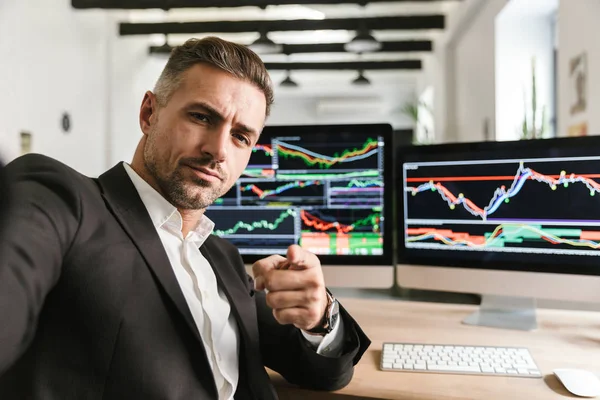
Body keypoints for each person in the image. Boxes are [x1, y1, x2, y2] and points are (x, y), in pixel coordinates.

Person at [0, 36, 370, 399]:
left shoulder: (223, 259)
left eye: (241, 137)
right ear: (149, 113)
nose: (218, 150)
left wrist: (319, 316)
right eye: (201, 116)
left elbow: (328, 374)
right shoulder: (64, 200)